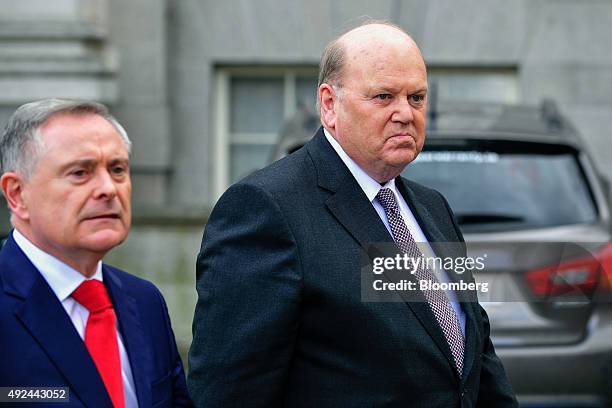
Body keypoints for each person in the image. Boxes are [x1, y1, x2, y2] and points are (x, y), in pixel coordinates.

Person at [189, 22, 518, 407]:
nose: (405, 114)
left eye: (416, 97)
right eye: (383, 96)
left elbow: (474, 356)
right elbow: (228, 392)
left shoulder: (432, 208)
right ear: (329, 104)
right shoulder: (265, 209)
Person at [0, 99, 193, 407]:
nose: (108, 188)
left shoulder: (145, 302)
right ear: (17, 194)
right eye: (80, 172)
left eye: (117, 170)